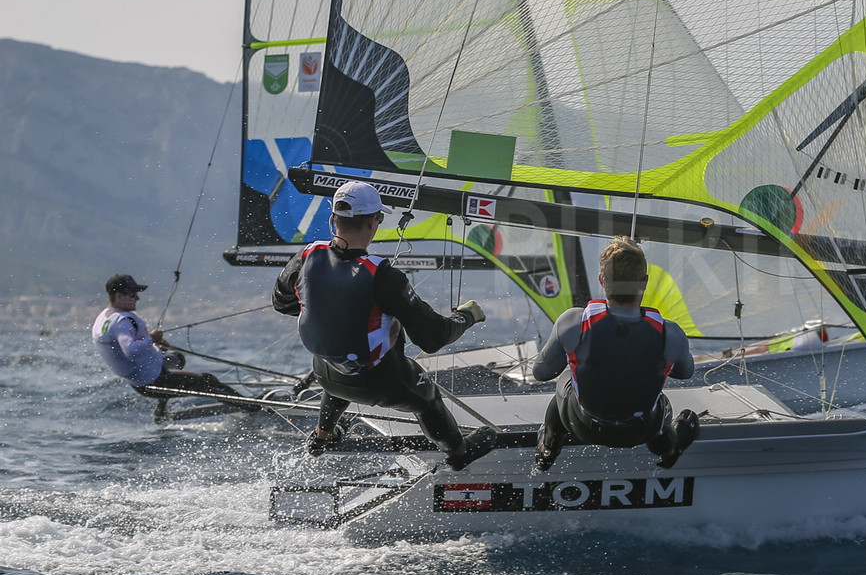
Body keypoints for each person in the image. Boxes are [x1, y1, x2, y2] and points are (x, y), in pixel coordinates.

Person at [271, 180, 496, 469]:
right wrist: (467, 317)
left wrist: (333, 311)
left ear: (333, 219)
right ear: (373, 222)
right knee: (426, 397)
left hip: (326, 375)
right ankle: (459, 452)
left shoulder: (307, 255)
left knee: (344, 354)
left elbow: (283, 303)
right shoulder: (383, 275)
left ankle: (323, 434)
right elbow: (433, 337)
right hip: (382, 384)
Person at [529, 237, 699, 472]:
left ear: (602, 280)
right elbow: (685, 373)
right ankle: (668, 449)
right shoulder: (670, 333)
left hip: (582, 426)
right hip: (640, 430)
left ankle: (548, 450)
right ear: (645, 283)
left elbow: (541, 373)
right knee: (660, 403)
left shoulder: (573, 321)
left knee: (566, 380)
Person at [92, 274, 247, 419]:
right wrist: (151, 339)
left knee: (177, 358)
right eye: (132, 294)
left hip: (144, 374)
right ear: (118, 296)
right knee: (208, 381)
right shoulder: (122, 321)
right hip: (153, 380)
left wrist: (155, 346)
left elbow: (127, 346)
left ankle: (161, 407)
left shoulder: (104, 318)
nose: (137, 298)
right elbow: (131, 351)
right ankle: (252, 408)